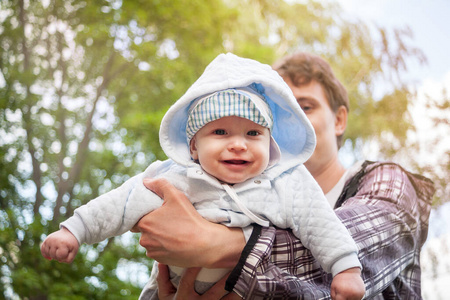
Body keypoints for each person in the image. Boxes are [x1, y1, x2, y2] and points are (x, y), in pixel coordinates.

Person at [40, 53, 365, 299]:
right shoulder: (174, 177)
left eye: (253, 133)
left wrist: (346, 268)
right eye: (221, 132)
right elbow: (120, 203)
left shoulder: (284, 183)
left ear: (271, 143)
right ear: (194, 146)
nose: (238, 144)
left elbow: (320, 222)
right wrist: (75, 230)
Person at [135, 52, 435, 299]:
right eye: (275, 116)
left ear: (339, 119)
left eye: (305, 106)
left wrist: (219, 245)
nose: (290, 124)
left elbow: (360, 244)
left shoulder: (389, 182)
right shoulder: (226, 197)